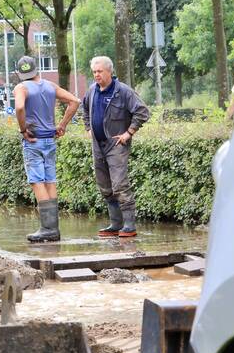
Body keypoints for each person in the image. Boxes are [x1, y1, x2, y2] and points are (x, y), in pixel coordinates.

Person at [13, 55, 80, 243]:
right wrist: (62, 125)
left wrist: (23, 129)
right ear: (36, 70)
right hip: (50, 140)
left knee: (36, 182)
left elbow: (19, 107)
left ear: (20, 73)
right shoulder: (50, 86)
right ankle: (54, 229)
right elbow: (75, 101)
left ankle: (46, 229)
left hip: (33, 141)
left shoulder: (21, 87)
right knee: (50, 180)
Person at [81, 56, 150, 237]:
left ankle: (129, 226)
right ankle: (115, 224)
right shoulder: (91, 91)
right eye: (94, 72)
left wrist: (129, 132)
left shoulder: (123, 91)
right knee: (104, 185)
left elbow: (142, 112)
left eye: (100, 71)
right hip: (97, 144)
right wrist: (88, 128)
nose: (96, 75)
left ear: (109, 71)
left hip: (116, 144)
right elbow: (85, 109)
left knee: (119, 184)